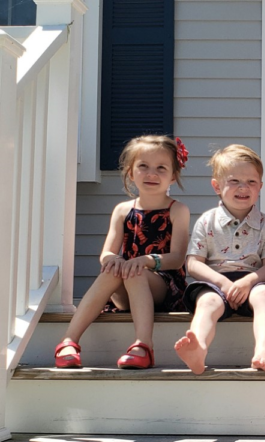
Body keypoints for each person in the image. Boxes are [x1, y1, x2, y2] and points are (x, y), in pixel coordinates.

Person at [53, 135, 190, 370]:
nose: (151, 174)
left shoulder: (177, 210)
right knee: (112, 270)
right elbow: (106, 253)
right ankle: (69, 341)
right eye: (143, 166)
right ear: (130, 171)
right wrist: (114, 260)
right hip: (125, 283)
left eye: (161, 168)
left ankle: (143, 345)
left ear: (173, 175)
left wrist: (146, 261)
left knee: (133, 271)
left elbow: (177, 258)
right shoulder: (122, 210)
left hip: (162, 284)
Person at [174, 144, 265, 374]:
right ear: (217, 186)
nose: (243, 188)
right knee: (207, 303)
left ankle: (262, 351)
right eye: (234, 181)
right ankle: (198, 349)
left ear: (260, 187)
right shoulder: (207, 222)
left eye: (251, 182)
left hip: (252, 282)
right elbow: (194, 263)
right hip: (215, 283)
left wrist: (248, 282)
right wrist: (223, 283)